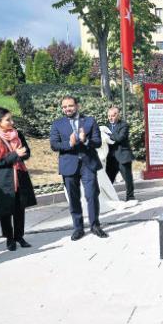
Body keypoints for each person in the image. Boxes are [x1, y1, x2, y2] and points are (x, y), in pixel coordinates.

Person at [50, 95, 108, 241]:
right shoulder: (57, 124)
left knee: (91, 195)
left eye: (70, 106)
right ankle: (78, 228)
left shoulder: (89, 121)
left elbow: (98, 142)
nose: (67, 109)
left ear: (77, 106)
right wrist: (69, 144)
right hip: (69, 165)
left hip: (88, 163)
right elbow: (54, 144)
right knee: (73, 198)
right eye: (64, 107)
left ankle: (95, 225)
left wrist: (85, 140)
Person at [0, 107, 37, 251]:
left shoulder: (17, 134)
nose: (12, 122)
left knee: (20, 209)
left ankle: (19, 236)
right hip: (2, 181)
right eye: (8, 120)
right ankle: (9, 239)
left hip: (19, 176)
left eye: (11, 119)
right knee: (5, 211)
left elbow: (26, 153)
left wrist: (21, 154)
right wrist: (15, 154)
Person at [105, 106, 135, 201]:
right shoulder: (106, 126)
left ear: (118, 115)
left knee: (128, 179)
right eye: (109, 116)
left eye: (113, 115)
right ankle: (108, 198)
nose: (110, 118)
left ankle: (130, 197)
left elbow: (120, 138)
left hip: (123, 156)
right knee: (108, 180)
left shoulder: (124, 125)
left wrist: (108, 135)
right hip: (111, 158)